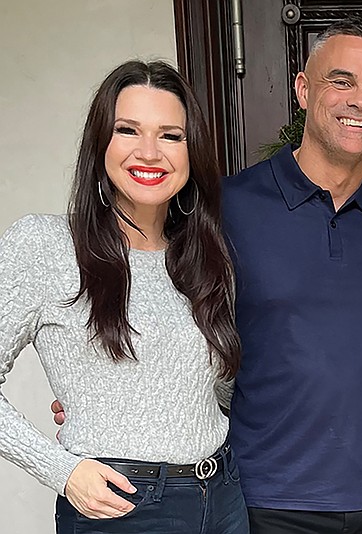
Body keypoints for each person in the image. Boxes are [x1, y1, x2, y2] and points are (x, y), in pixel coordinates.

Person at [0, 60, 248, 533]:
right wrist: (62, 470)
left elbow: (213, 392)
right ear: (100, 144)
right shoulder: (46, 245)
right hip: (123, 509)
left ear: (192, 152)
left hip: (223, 497)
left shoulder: (205, 259)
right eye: (128, 130)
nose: (150, 152)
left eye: (171, 135)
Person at [220, 18, 362, 533]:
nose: (361, 100)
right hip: (271, 495)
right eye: (342, 81)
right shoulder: (229, 206)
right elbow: (174, 322)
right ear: (303, 89)